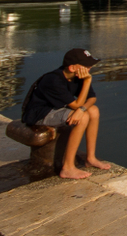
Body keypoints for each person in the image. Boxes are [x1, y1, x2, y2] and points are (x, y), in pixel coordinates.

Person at [22, 48, 112, 179]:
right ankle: (68, 168)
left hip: (57, 109)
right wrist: (87, 83)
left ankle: (90, 158)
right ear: (72, 68)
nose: (90, 68)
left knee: (93, 110)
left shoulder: (78, 76)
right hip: (39, 114)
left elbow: (92, 98)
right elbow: (76, 105)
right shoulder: (53, 80)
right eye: (86, 66)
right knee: (83, 118)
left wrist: (81, 110)